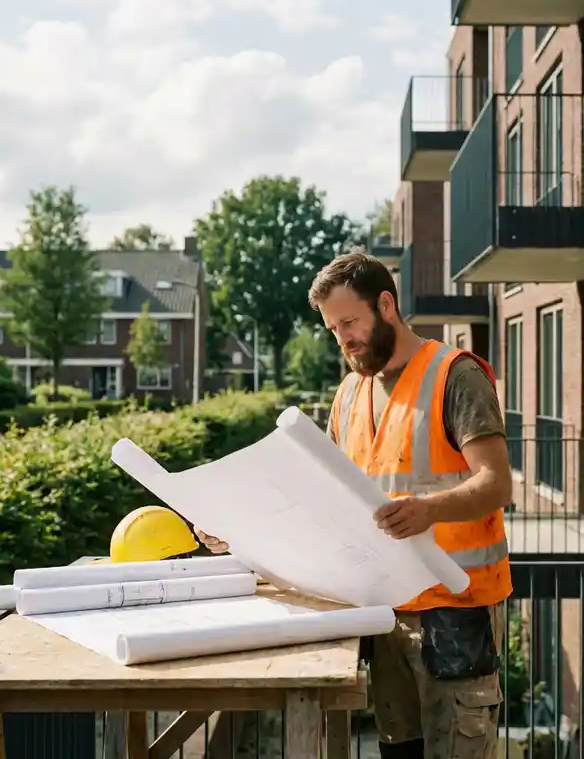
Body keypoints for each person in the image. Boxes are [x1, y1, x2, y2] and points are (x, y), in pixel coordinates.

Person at [196, 252, 513, 759]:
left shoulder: (455, 376)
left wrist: (428, 509)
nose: (342, 338)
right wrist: (237, 535)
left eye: (349, 321)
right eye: (332, 328)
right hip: (383, 611)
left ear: (386, 305)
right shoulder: (349, 394)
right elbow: (319, 501)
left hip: (456, 612)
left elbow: (497, 484)